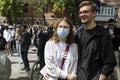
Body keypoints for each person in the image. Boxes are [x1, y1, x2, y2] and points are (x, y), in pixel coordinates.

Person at [75, 1, 116, 80]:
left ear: (94, 13)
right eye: (80, 13)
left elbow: (109, 61)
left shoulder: (103, 34)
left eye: (85, 12)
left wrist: (100, 78)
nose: (82, 15)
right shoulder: (79, 34)